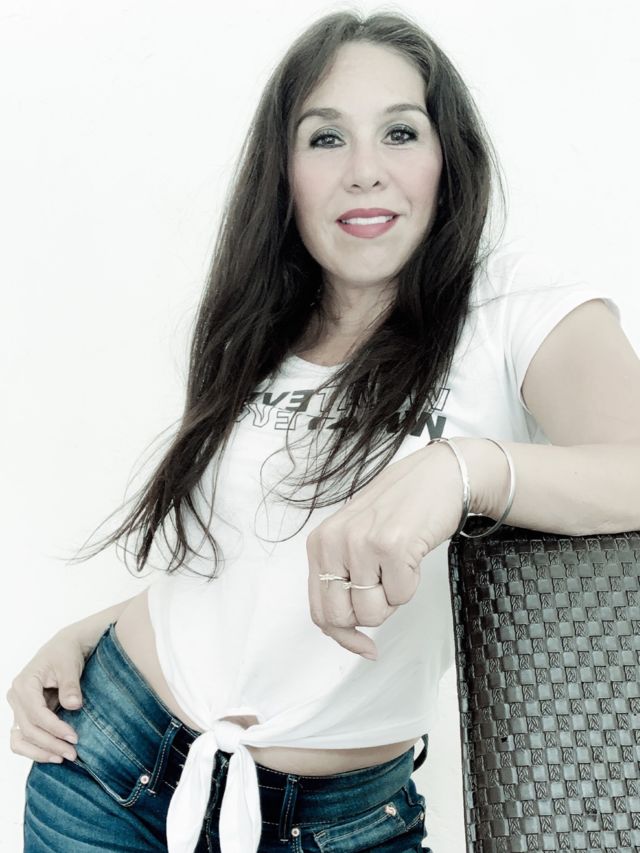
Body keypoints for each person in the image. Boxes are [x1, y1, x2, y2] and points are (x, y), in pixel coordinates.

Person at [8, 9, 640, 853]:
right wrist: (91, 629)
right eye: (326, 138)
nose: (365, 171)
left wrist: (461, 468)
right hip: (108, 769)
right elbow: (246, 560)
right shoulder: (260, 322)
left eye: (400, 132)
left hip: (343, 825)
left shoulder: (515, 309)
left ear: (447, 158)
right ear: (286, 172)